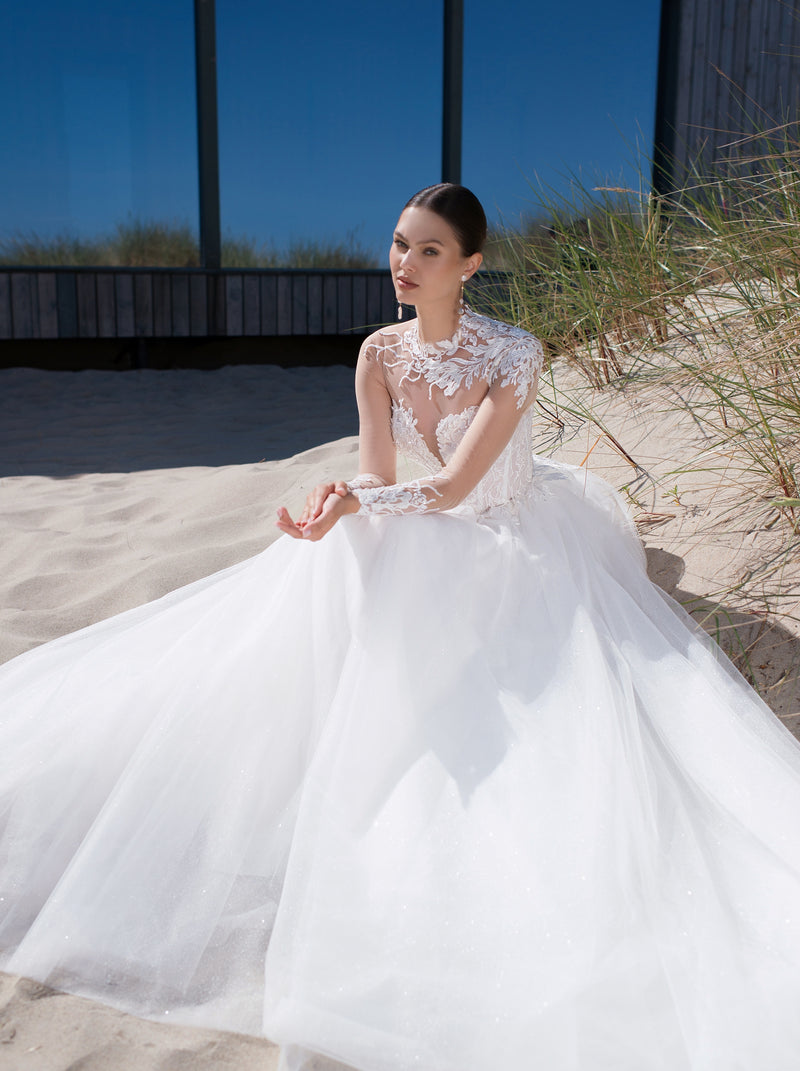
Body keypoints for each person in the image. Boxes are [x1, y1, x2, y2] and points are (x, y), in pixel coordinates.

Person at [1, 184, 800, 1071]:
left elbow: (455, 489)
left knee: (404, 570)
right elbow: (381, 474)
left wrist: (358, 501)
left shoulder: (516, 354)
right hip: (419, 519)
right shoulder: (378, 351)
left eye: (426, 250)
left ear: (470, 265)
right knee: (333, 557)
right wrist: (336, 503)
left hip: (508, 534)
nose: (403, 263)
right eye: (397, 243)